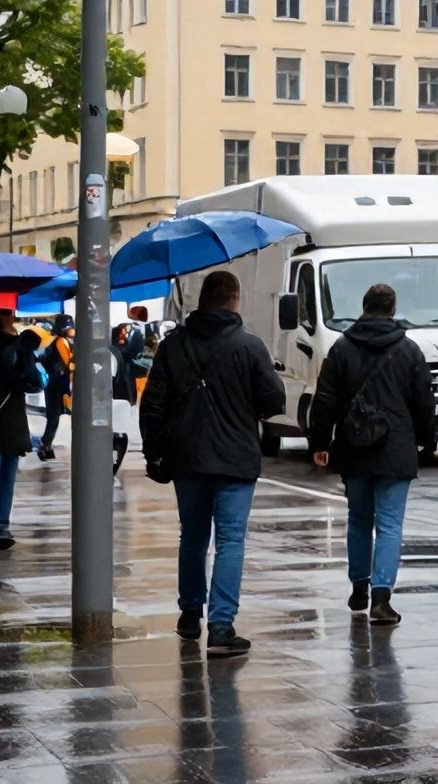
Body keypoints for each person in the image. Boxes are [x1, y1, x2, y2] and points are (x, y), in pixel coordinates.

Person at [140, 271, 286, 658]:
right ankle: (221, 627)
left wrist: (154, 450)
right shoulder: (250, 347)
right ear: (235, 299)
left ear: (201, 301)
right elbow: (274, 402)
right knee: (230, 540)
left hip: (187, 456)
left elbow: (153, 404)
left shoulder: (173, 347)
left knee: (192, 537)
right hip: (236, 458)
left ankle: (190, 614)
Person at [307, 283, 435, 627]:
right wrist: (427, 440)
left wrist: (320, 442)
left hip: (354, 445)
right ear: (392, 309)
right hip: (395, 447)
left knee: (359, 519)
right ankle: (382, 598)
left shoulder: (342, 348)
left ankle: (358, 588)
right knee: (390, 524)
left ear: (364, 308)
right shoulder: (408, 351)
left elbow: (326, 399)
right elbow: (423, 399)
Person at [0, 310, 41, 550]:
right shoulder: (20, 348)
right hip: (12, 421)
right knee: (5, 478)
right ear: (9, 321)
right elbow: (35, 381)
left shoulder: (13, 347)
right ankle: (1, 523)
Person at [38, 315, 74, 461]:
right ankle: (45, 446)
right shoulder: (61, 341)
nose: (74, 329)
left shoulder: (57, 340)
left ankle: (46, 445)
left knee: (55, 416)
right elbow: (69, 363)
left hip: (56, 384)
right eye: (71, 326)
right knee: (54, 416)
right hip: (57, 385)